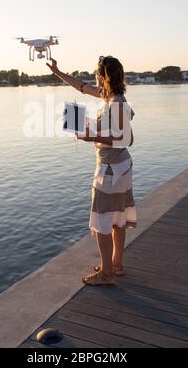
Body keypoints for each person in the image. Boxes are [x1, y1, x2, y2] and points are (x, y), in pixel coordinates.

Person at [46, 56, 136, 286]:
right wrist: (58, 71)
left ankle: (105, 273)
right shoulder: (110, 97)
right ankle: (115, 265)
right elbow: (82, 87)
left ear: (104, 76)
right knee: (118, 218)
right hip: (119, 168)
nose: (94, 78)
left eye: (97, 74)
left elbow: (128, 138)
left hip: (110, 170)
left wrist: (91, 136)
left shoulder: (116, 103)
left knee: (102, 222)